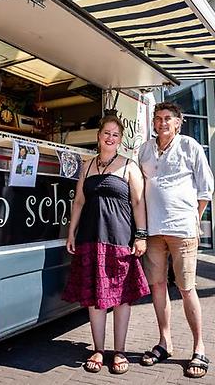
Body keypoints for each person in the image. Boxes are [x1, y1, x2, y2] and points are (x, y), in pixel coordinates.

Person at [62, 115, 150, 375]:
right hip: (90, 238)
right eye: (106, 133)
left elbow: (138, 203)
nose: (110, 138)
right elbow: (78, 201)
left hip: (120, 239)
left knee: (122, 298)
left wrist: (141, 235)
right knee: (95, 299)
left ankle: (119, 351)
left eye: (115, 134)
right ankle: (99, 349)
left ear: (120, 140)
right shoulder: (86, 166)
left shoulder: (128, 166)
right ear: (99, 136)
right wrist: (71, 232)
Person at [137, 101, 214, 379]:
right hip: (153, 232)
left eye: (168, 118)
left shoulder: (190, 146)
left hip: (182, 230)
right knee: (157, 287)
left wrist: (193, 219)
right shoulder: (144, 149)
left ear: (178, 122)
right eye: (158, 118)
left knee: (186, 288)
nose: (162, 123)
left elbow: (206, 189)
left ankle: (199, 348)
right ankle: (165, 342)